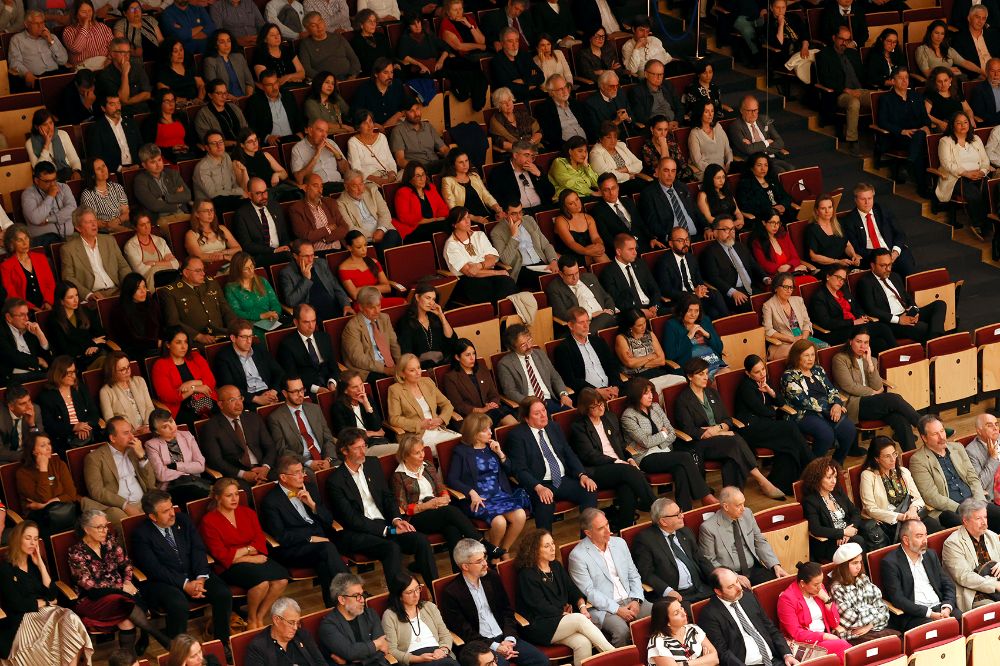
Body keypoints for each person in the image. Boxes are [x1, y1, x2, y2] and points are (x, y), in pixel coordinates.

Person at [327, 429, 439, 587]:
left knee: (420, 539)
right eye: (357, 448)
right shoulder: (336, 480)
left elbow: (387, 496)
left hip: (385, 523)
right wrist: (389, 530)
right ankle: (398, 598)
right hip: (358, 532)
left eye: (364, 446)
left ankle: (434, 588)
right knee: (391, 548)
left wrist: (396, 520)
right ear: (344, 451)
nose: (363, 451)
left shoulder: (372, 464)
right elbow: (351, 519)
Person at [132, 489, 233, 652]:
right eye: (166, 511)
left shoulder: (183, 520)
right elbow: (155, 569)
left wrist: (200, 578)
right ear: (152, 517)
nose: (172, 513)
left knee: (223, 594)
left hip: (194, 574)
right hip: (162, 582)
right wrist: (185, 584)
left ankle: (222, 644)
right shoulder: (141, 534)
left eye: (172, 508)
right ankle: (178, 651)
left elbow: (198, 549)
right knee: (178, 604)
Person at [70, 507, 171, 656]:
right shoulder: (76, 552)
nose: (104, 530)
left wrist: (128, 581)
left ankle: (129, 659)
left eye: (105, 526)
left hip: (121, 593)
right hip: (92, 600)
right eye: (99, 527)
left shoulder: (109, 540)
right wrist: (121, 587)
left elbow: (126, 564)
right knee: (122, 601)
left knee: (126, 620)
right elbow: (89, 585)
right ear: (86, 529)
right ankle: (157, 635)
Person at [680, 357, 786, 498]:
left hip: (723, 440)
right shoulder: (683, 400)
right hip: (701, 444)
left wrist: (718, 428)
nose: (706, 377)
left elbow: (728, 420)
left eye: (706, 373)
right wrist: (720, 433)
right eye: (701, 374)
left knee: (732, 459)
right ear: (689, 377)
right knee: (735, 440)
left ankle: (733, 498)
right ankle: (762, 480)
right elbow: (689, 430)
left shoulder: (712, 393)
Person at [513, 528, 615, 665]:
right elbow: (539, 606)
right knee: (578, 619)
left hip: (561, 620)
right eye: (546, 546)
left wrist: (582, 607)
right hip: (538, 625)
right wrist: (564, 615)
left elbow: (572, 589)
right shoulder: (527, 575)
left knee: (583, 643)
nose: (552, 548)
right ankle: (616, 656)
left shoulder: (555, 566)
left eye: (553, 544)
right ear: (534, 550)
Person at [199, 477, 289, 630]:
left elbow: (259, 541)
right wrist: (248, 553)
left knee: (282, 579)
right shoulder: (209, 521)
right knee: (261, 584)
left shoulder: (247, 512)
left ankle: (260, 616)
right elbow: (221, 554)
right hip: (228, 566)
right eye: (229, 495)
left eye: (236, 494)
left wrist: (241, 553)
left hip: (253, 558)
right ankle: (252, 619)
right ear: (217, 497)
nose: (235, 499)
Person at [440, 539, 548, 666]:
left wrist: (509, 639)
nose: (485, 563)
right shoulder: (451, 593)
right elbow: (464, 631)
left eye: (484, 557)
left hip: (505, 636)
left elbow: (507, 611)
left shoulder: (492, 578)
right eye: (479, 561)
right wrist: (495, 646)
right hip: (480, 646)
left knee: (541, 661)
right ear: (465, 566)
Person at [259, 456, 349, 608]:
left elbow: (328, 521)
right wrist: (310, 538)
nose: (303, 475)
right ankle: (350, 591)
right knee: (327, 550)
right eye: (297, 473)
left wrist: (313, 505)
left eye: (302, 471)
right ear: (283, 477)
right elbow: (282, 536)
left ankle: (333, 607)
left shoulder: (311, 488)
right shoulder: (271, 501)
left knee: (324, 563)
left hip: (320, 545)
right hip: (293, 549)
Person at [0, 521, 93, 663]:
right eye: (28, 538)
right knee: (60, 628)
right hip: (23, 621)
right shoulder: (5, 569)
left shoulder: (35, 563)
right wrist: (46, 602)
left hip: (45, 613)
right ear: (18, 539)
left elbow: (52, 594)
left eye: (35, 539)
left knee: (71, 620)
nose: (32, 543)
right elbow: (16, 604)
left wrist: (41, 565)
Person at [620, 376, 716, 511]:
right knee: (685, 457)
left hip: (665, 451)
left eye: (651, 392)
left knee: (681, 470)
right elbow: (646, 442)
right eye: (646, 393)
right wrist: (663, 434)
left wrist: (662, 437)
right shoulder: (628, 416)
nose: (650, 396)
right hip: (646, 457)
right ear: (636, 396)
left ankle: (685, 510)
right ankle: (705, 495)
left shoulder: (655, 407)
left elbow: (672, 432)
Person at [506, 396, 599, 531]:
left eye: (543, 410)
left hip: (562, 479)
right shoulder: (517, 435)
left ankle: (588, 539)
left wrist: (582, 475)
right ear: (526, 418)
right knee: (544, 504)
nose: (543, 415)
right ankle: (544, 545)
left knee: (589, 490)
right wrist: (538, 487)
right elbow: (519, 469)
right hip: (540, 483)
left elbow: (569, 453)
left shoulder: (553, 426)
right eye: (537, 413)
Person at [391, 433, 484, 565]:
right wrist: (428, 505)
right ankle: (480, 542)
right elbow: (404, 508)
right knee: (449, 512)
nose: (422, 455)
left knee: (452, 529)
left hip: (437, 512)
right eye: (417, 453)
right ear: (406, 456)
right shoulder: (398, 476)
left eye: (422, 450)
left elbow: (441, 487)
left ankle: (459, 573)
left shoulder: (428, 466)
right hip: (417, 518)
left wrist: (445, 496)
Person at [568, 388, 654, 530]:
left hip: (620, 467)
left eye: (601, 403)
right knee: (628, 472)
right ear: (585, 408)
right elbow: (590, 455)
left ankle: (625, 530)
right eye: (594, 406)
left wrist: (630, 459)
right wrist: (616, 462)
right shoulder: (579, 427)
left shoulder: (610, 418)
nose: (600, 408)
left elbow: (621, 445)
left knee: (627, 488)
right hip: (597, 470)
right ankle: (654, 505)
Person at [446, 413, 529, 556]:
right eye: (485, 430)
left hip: (499, 494)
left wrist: (500, 454)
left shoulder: (492, 448)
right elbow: (452, 479)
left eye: (490, 428)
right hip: (479, 499)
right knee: (499, 523)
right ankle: (493, 553)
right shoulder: (461, 452)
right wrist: (471, 492)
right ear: (474, 433)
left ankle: (505, 550)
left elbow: (510, 471)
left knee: (520, 515)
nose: (490, 432)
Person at [567, 508, 652, 647]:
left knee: (661, 614)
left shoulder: (619, 543)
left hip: (631, 599)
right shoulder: (578, 556)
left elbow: (634, 574)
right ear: (588, 533)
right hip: (603, 608)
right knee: (622, 631)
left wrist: (636, 599)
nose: (608, 531)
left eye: (607, 524)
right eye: (601, 528)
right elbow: (589, 592)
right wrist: (617, 609)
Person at [832, 328, 921, 451]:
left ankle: (911, 455)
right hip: (854, 404)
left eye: (866, 342)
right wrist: (873, 393)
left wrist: (869, 363)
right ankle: (925, 426)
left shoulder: (871, 359)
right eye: (858, 341)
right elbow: (849, 386)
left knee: (900, 419)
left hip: (873, 404)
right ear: (850, 341)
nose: (862, 346)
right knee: (893, 399)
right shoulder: (840, 359)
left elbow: (878, 386)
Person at [912, 414, 1000, 530]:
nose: (942, 437)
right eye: (935, 434)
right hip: (950, 509)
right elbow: (931, 496)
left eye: (942, 431)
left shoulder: (957, 447)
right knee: (973, 526)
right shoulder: (918, 460)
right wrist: (962, 508)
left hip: (974, 501)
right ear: (924, 438)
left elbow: (972, 477)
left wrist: (979, 503)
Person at [698, 566, 797, 666]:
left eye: (737, 581)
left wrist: (787, 655)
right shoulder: (709, 614)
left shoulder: (748, 597)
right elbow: (722, 652)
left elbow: (771, 629)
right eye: (731, 587)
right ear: (718, 591)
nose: (739, 588)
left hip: (774, 660)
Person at [781, 339, 858, 462]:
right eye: (806, 355)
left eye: (812, 355)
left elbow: (831, 390)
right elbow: (803, 401)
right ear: (797, 357)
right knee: (826, 434)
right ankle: (812, 469)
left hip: (826, 410)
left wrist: (837, 404)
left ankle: (837, 463)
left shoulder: (818, 370)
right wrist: (830, 407)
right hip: (804, 414)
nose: (811, 359)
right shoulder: (789, 376)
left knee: (849, 430)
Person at [879, 518, 959, 631]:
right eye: (919, 536)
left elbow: (947, 584)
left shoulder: (930, 555)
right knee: (936, 629)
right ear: (906, 540)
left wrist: (947, 607)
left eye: (925, 535)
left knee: (964, 620)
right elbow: (898, 599)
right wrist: (930, 614)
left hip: (940, 607)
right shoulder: (890, 563)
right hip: (915, 615)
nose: (925, 540)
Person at [700, 487, 790, 585]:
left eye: (743, 503)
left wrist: (775, 565)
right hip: (730, 576)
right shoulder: (708, 528)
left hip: (754, 568)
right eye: (738, 505)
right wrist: (734, 576)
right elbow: (709, 561)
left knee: (778, 586)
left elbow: (759, 541)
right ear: (726, 507)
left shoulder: (747, 513)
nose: (743, 508)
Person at [634, 498, 715, 605]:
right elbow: (646, 573)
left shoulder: (685, 532)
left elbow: (700, 559)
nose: (682, 516)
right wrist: (668, 591)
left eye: (680, 511)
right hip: (675, 595)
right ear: (663, 521)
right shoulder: (645, 540)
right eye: (677, 514)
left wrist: (717, 576)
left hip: (700, 587)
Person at [856, 249, 947, 343]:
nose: (888, 269)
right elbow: (871, 309)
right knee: (924, 328)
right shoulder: (866, 282)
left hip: (906, 312)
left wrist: (914, 309)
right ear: (873, 265)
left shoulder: (895, 276)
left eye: (890, 264)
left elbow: (906, 296)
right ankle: (937, 342)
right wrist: (899, 320)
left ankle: (934, 341)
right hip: (891, 321)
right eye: (883, 266)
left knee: (939, 304)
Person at [860, 435, 940, 542]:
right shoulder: (868, 475)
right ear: (877, 459)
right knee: (916, 536)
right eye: (887, 456)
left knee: (934, 527)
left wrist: (912, 510)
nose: (893, 459)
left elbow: (918, 498)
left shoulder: (903, 472)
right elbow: (870, 509)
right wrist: (900, 517)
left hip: (912, 516)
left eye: (894, 454)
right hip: (891, 522)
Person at [81, 417, 155, 525]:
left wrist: (142, 457)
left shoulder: (135, 450)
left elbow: (151, 483)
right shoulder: (94, 458)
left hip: (143, 501)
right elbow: (96, 491)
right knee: (129, 522)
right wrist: (125, 505)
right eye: (126, 433)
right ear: (112, 438)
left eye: (131, 431)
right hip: (116, 506)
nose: (132, 436)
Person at [200, 385, 277, 488]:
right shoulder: (211, 427)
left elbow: (270, 446)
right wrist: (243, 474)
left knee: (287, 477)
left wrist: (265, 467)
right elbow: (216, 461)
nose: (239, 404)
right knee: (242, 491)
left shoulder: (253, 418)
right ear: (220, 404)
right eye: (232, 400)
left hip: (263, 468)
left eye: (240, 398)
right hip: (236, 475)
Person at [938, 111, 994, 252]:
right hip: (956, 177)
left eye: (965, 122)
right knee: (974, 194)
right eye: (958, 122)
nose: (963, 125)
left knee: (990, 190)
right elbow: (947, 164)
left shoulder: (975, 139)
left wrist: (982, 171)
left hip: (978, 174)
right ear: (952, 125)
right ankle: (978, 224)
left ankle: (989, 223)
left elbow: (985, 160)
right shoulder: (945, 141)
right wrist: (966, 173)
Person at [800, 457, 872, 562]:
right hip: (828, 542)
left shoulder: (837, 491)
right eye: (829, 478)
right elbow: (816, 529)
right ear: (817, 478)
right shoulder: (810, 501)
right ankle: (863, 573)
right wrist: (842, 532)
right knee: (858, 541)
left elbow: (855, 511)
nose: (834, 481)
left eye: (835, 476)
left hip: (848, 533)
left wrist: (851, 529)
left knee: (869, 534)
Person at [809, 266, 895, 352]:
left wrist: (861, 317)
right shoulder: (819, 297)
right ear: (828, 276)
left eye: (843, 279)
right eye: (838, 277)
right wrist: (853, 322)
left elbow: (856, 306)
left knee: (880, 344)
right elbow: (826, 323)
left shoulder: (843, 290)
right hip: (837, 332)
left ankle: (892, 362)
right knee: (883, 328)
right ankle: (899, 355)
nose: (841, 282)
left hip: (855, 326)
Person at [776, 561, 852, 659]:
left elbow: (834, 623)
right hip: (805, 645)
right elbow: (796, 633)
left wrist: (827, 600)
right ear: (803, 583)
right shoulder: (787, 599)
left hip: (825, 639)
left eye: (821, 582)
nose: (820, 587)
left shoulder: (819, 589)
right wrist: (823, 636)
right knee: (844, 648)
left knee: (844, 650)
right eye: (816, 584)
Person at [442, 207, 517, 305]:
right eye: (462, 219)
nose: (468, 221)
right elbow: (470, 272)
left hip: (487, 274)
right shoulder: (451, 245)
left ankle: (505, 314)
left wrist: (479, 266)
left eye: (468, 217)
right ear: (454, 224)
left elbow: (492, 259)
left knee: (508, 282)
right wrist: (496, 272)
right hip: (468, 281)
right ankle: (497, 314)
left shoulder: (479, 235)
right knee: (492, 287)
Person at [876, 69, 932, 197]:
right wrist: (902, 131)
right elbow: (882, 122)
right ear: (893, 81)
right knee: (920, 142)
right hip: (897, 137)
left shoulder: (915, 96)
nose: (904, 80)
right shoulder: (886, 99)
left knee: (921, 138)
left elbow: (925, 117)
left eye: (906, 77)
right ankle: (922, 187)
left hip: (917, 135)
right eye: (900, 78)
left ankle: (909, 165)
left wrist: (925, 126)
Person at [387, 353, 460, 450]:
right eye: (412, 370)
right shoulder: (395, 390)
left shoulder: (427, 382)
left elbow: (447, 404)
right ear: (402, 373)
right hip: (417, 437)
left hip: (437, 430)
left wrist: (440, 419)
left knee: (464, 444)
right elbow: (394, 419)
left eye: (418, 368)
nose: (418, 372)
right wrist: (419, 425)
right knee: (450, 449)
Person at [495, 324, 572, 413]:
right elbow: (510, 391)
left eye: (529, 341)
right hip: (529, 406)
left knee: (573, 415)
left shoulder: (540, 354)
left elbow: (554, 377)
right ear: (513, 347)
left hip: (550, 400)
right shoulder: (505, 364)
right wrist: (532, 403)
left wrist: (563, 394)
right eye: (523, 345)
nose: (529, 346)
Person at [815, 26, 867, 157]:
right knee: (854, 103)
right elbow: (825, 79)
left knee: (879, 98)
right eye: (841, 39)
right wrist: (846, 90)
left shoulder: (852, 53)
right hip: (841, 93)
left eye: (847, 40)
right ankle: (853, 141)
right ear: (834, 38)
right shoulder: (824, 55)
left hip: (859, 89)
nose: (844, 42)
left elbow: (862, 74)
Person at [844, 183, 916, 278]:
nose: (867, 202)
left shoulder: (882, 210)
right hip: (872, 258)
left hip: (893, 253)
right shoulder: (849, 220)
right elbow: (857, 248)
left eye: (870, 198)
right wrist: (881, 257)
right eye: (863, 199)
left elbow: (900, 233)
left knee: (909, 271)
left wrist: (895, 252)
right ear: (855, 200)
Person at [319, 573, 392, 666]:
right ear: (342, 600)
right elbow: (350, 652)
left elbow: (382, 650)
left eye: (362, 594)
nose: (362, 600)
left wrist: (349, 661)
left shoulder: (370, 614)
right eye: (356, 596)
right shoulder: (328, 626)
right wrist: (376, 645)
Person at [828, 542, 896, 642]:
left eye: (860, 562)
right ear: (844, 566)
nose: (859, 566)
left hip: (872, 629)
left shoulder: (863, 579)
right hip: (853, 637)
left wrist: (869, 625)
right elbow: (851, 620)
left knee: (895, 641)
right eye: (854, 563)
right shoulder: (837, 588)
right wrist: (873, 611)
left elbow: (883, 609)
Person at [60, 207, 131, 301]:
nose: (94, 224)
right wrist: (88, 295)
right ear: (78, 228)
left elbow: (123, 266)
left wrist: (129, 286)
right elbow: (68, 278)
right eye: (89, 222)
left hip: (118, 290)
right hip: (94, 296)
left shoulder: (109, 240)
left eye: (94, 220)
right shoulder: (68, 249)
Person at [942, 498, 1000, 613]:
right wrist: (995, 585)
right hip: (975, 595)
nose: (984, 522)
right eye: (978, 518)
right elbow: (964, 577)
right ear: (965, 521)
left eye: (985, 517)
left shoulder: (991, 535)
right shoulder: (952, 543)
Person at [150, 326, 218, 423]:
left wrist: (191, 383)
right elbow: (168, 396)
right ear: (168, 344)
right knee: (199, 417)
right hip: (179, 407)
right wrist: (194, 389)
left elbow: (211, 382)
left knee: (219, 413)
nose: (184, 346)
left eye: (185, 342)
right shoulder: (160, 365)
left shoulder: (195, 356)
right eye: (178, 342)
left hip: (205, 399)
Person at [143, 408, 210, 507]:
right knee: (199, 494)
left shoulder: (187, 435)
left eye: (171, 421)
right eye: (165, 426)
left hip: (195, 481)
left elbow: (200, 466)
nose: (171, 427)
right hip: (172, 486)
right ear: (157, 432)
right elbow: (162, 475)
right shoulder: (151, 445)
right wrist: (190, 468)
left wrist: (175, 466)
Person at [162, 256, 238, 343]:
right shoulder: (171, 292)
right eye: (198, 271)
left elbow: (225, 309)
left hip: (222, 334)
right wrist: (198, 336)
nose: (203, 274)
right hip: (193, 341)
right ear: (186, 273)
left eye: (203, 269)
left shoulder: (211, 283)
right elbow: (173, 322)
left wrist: (235, 327)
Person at [16, 431, 79, 535]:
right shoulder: (22, 473)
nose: (48, 448)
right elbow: (43, 497)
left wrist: (47, 504)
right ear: (33, 450)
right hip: (39, 519)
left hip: (66, 513)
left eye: (49, 444)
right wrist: (43, 469)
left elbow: (71, 494)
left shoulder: (59, 464)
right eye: (43, 445)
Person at [37, 356, 101, 454]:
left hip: (89, 432)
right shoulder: (46, 396)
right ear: (58, 373)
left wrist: (84, 426)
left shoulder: (80, 388)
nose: (74, 376)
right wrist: (74, 427)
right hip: (65, 438)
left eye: (74, 372)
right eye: (69, 373)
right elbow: (49, 425)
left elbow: (93, 412)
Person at [554, 309, 623, 399]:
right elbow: (570, 380)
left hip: (611, 388)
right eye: (581, 322)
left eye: (588, 321)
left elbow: (612, 366)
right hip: (588, 394)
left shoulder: (598, 341)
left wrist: (615, 387)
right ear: (571, 325)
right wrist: (596, 391)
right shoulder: (563, 349)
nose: (586, 326)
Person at [213, 319, 284, 406]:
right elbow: (229, 387)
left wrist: (273, 391)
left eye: (250, 336)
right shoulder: (223, 357)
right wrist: (257, 399)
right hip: (246, 399)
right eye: (244, 337)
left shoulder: (259, 349)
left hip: (269, 392)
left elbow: (278, 372)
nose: (249, 341)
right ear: (233, 338)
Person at [639, 157, 705, 249]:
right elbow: (652, 223)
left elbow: (696, 211)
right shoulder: (649, 194)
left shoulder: (682, 187)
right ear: (657, 171)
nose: (670, 175)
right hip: (673, 242)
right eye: (666, 170)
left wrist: (707, 228)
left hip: (696, 236)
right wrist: (668, 238)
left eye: (673, 171)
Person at [279, 240, 353, 321]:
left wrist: (346, 305)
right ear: (295, 256)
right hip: (311, 316)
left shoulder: (321, 264)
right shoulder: (287, 273)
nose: (311, 260)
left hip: (333, 306)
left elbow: (336, 287)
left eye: (312, 255)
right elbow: (291, 301)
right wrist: (306, 279)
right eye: (306, 256)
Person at [276, 303, 340, 397]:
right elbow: (291, 376)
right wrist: (317, 389)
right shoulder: (287, 345)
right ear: (296, 322)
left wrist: (332, 382)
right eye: (306, 322)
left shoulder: (324, 337)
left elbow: (334, 365)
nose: (311, 326)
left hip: (330, 384)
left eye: (313, 321)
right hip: (306, 390)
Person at [615, 309, 685, 394]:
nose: (643, 327)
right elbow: (630, 363)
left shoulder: (650, 334)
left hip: (657, 372)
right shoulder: (622, 338)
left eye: (644, 323)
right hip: (638, 379)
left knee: (681, 382)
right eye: (639, 325)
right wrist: (650, 356)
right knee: (659, 391)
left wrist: (640, 363)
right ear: (630, 326)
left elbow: (662, 360)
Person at [46, 281, 110, 370]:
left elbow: (103, 335)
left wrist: (95, 347)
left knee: (111, 360)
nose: (76, 300)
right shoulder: (54, 320)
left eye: (76, 295)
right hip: (75, 364)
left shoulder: (85, 311)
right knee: (107, 363)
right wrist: (92, 343)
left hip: (96, 354)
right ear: (61, 301)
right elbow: (65, 350)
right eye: (70, 297)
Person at [342, 286, 401, 382]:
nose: (377, 311)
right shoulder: (352, 327)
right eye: (372, 307)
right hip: (367, 370)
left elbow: (394, 344)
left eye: (378, 306)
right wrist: (384, 369)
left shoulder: (384, 318)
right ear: (361, 307)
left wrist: (400, 365)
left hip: (388, 364)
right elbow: (358, 359)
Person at [246, 596, 327, 664]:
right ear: (276, 620)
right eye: (291, 622)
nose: (295, 627)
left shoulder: (303, 635)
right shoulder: (258, 647)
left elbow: (321, 663)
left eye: (297, 623)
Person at [761, 272, 822, 361]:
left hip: (803, 337)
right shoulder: (768, 305)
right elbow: (768, 330)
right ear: (776, 288)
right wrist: (791, 339)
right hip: (785, 343)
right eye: (785, 287)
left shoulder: (798, 300)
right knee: (804, 354)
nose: (789, 290)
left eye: (791, 287)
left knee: (825, 348)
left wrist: (803, 338)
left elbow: (806, 322)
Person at [599, 234, 661, 319]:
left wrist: (654, 306)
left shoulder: (640, 264)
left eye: (635, 248)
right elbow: (617, 301)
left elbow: (654, 289)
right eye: (630, 249)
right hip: (631, 313)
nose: (635, 252)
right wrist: (640, 312)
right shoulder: (608, 273)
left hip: (651, 307)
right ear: (619, 252)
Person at [662, 295, 725, 378]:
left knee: (727, 374)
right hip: (694, 365)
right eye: (689, 311)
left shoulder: (704, 320)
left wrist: (707, 335)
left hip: (713, 359)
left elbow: (719, 348)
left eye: (696, 311)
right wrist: (689, 336)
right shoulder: (671, 325)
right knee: (716, 381)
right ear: (682, 311)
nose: (693, 314)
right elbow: (671, 354)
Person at [339, 230, 405, 308]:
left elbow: (387, 287)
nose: (364, 249)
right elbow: (355, 295)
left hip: (378, 300)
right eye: (359, 247)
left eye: (365, 245)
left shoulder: (373, 261)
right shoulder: (343, 268)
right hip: (363, 305)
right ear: (349, 248)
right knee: (403, 303)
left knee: (404, 303)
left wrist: (363, 289)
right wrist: (377, 288)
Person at [222, 253, 282, 339]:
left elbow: (274, 302)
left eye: (252, 266)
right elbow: (236, 312)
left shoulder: (262, 281)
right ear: (238, 270)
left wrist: (275, 313)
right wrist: (260, 316)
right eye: (246, 268)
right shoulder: (231, 288)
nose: (251, 270)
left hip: (271, 322)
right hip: (249, 327)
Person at [728, 94, 793, 172]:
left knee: (791, 169)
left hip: (771, 157)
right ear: (741, 110)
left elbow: (780, 142)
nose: (753, 114)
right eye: (749, 111)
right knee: (780, 171)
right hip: (755, 163)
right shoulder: (736, 126)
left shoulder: (764, 119)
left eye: (755, 110)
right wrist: (767, 142)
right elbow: (748, 149)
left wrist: (755, 147)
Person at [486, 140, 555, 214]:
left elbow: (551, 193)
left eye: (532, 156)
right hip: (520, 213)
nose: (530, 160)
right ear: (515, 155)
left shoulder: (536, 169)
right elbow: (498, 199)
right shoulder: (499, 172)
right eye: (526, 155)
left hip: (542, 209)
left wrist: (539, 175)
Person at [7, 10, 69, 92]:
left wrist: (51, 41)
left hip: (55, 76)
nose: (41, 26)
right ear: (26, 24)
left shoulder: (52, 37)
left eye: (42, 23)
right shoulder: (17, 39)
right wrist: (26, 73)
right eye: (36, 23)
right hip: (35, 78)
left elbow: (63, 60)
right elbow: (14, 62)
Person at [646, 597, 719, 666]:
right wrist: (704, 660)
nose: (684, 614)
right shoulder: (658, 642)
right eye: (676, 613)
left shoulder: (693, 629)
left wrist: (684, 664)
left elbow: (715, 659)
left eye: (681, 608)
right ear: (666, 622)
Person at [396, 282, 455, 366]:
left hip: (442, 363)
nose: (431, 303)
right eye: (428, 298)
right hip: (421, 367)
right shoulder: (406, 322)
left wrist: (442, 317)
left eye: (433, 299)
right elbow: (406, 352)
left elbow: (451, 339)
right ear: (417, 297)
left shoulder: (435, 318)